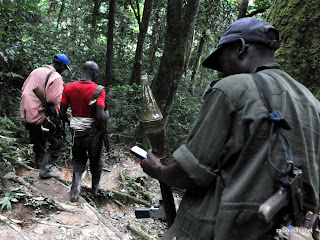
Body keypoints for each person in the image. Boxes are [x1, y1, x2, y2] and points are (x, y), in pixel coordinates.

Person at [140, 17, 320, 239]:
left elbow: (189, 174)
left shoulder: (232, 89)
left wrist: (159, 170)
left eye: (222, 61)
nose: (222, 71)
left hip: (221, 230)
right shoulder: (312, 103)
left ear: (240, 48)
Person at [59, 61, 108, 202]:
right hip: (93, 135)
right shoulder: (99, 90)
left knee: (79, 160)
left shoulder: (68, 87)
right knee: (95, 161)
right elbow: (100, 116)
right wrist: (107, 115)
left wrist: (71, 123)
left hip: (76, 132)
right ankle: (94, 190)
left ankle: (75, 190)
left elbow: (62, 113)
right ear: (94, 73)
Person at [20, 54, 70, 178]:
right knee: (60, 144)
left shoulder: (36, 71)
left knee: (39, 143)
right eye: (64, 68)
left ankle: (38, 168)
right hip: (41, 115)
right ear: (60, 65)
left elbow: (23, 89)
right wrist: (58, 117)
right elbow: (54, 99)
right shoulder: (55, 76)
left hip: (27, 113)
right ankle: (45, 170)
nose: (64, 71)